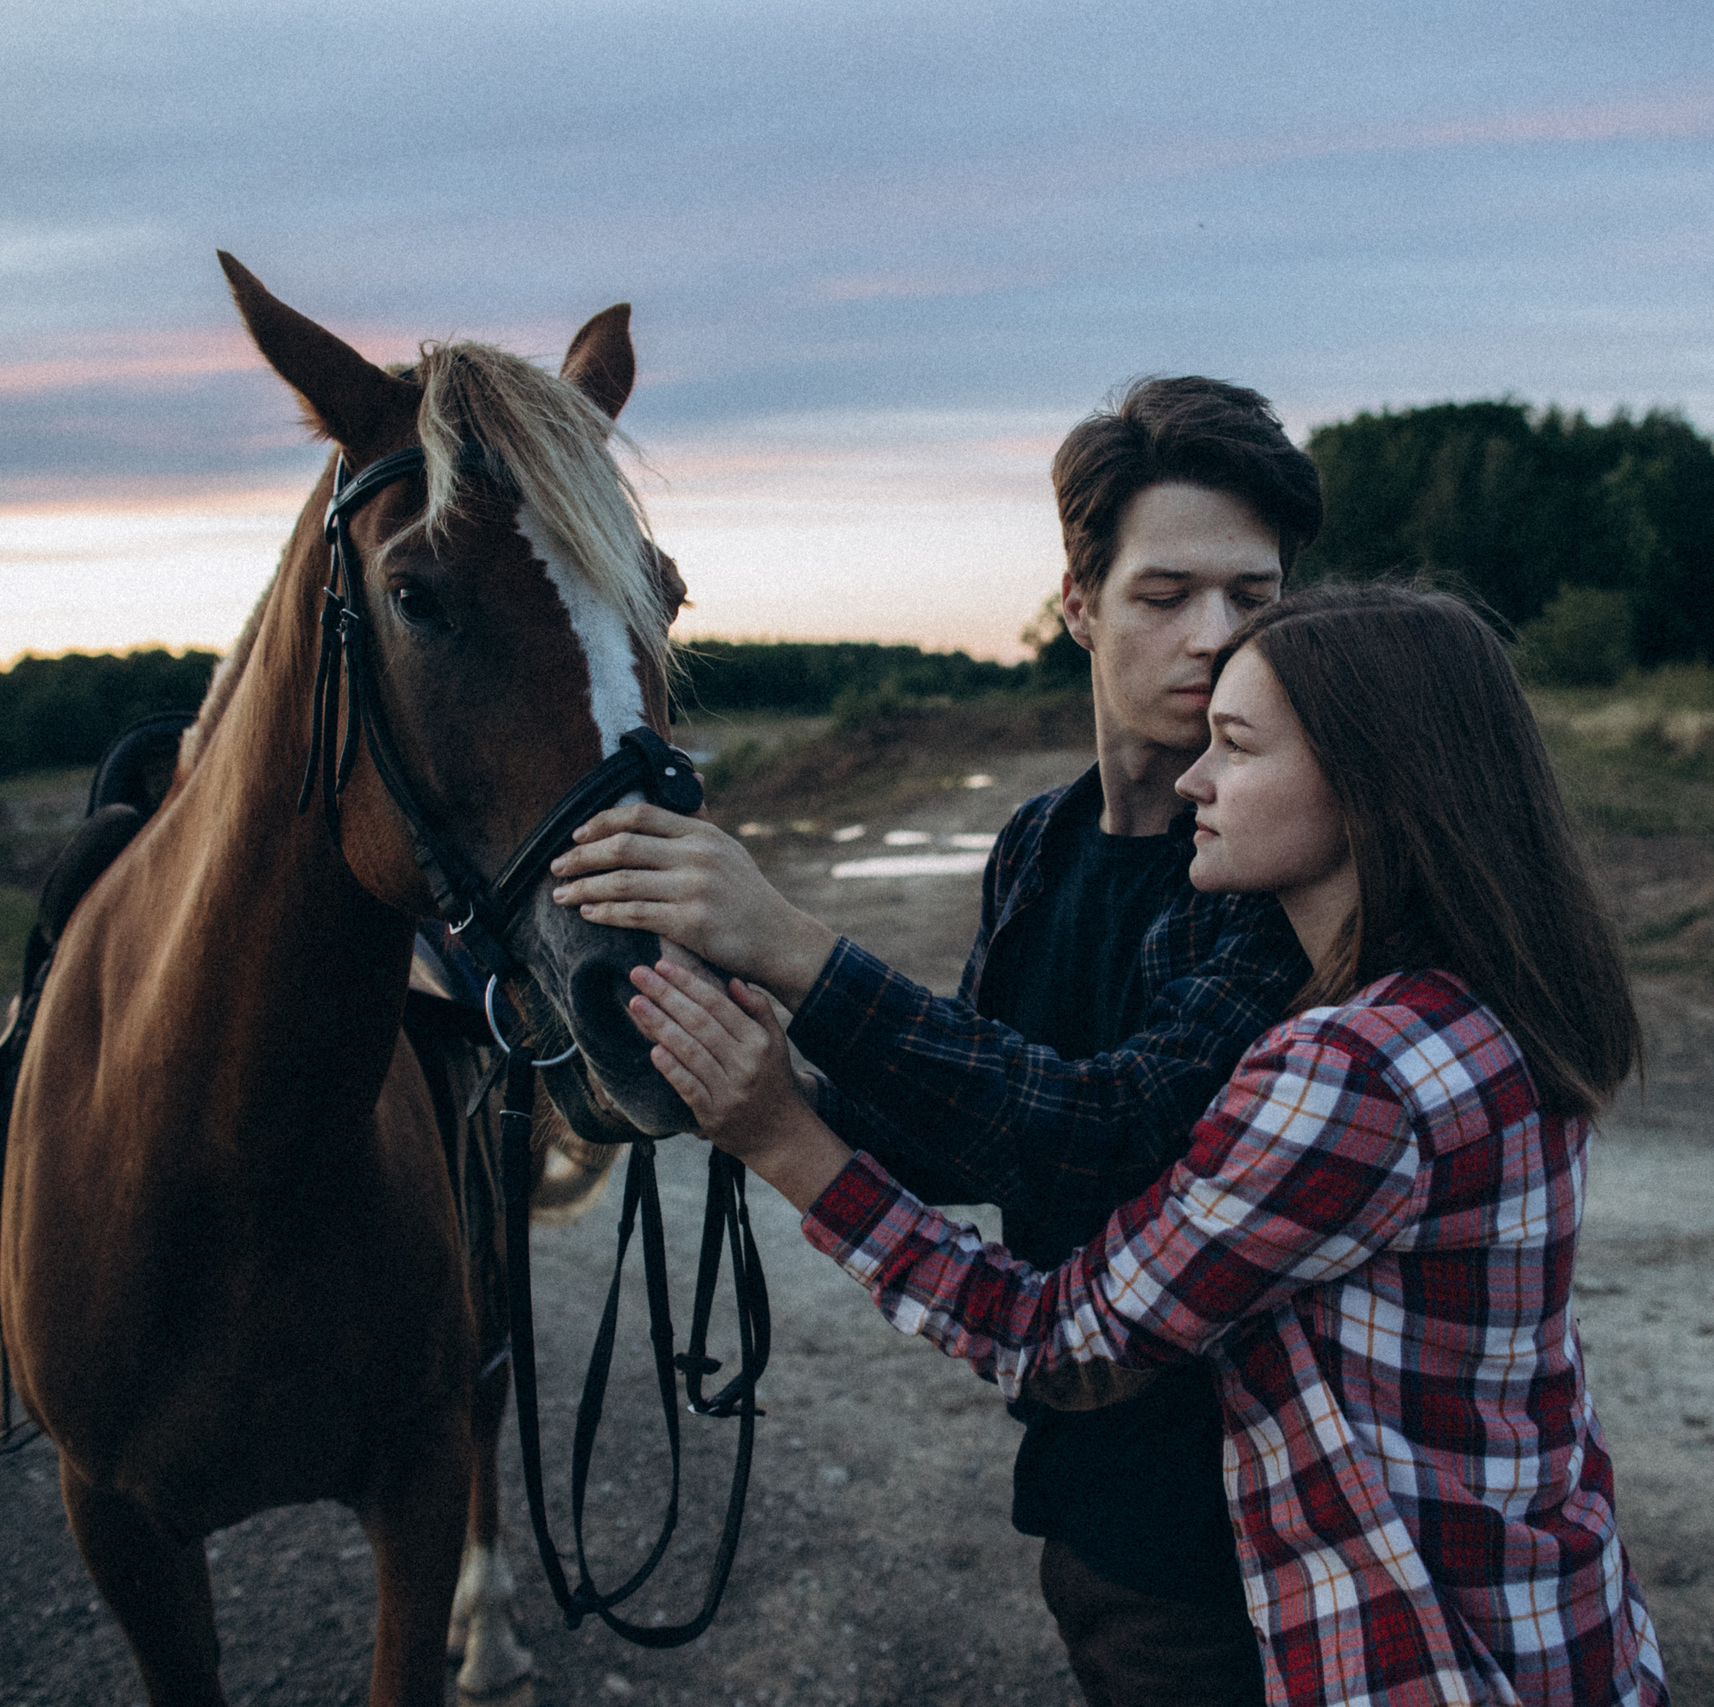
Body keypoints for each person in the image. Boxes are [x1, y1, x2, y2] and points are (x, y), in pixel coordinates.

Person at [623, 584, 1669, 1707]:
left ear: (1367, 785)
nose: (1194, 779)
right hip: (1557, 1628)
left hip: (1421, 1662)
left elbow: (1054, 1339)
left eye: (1236, 746)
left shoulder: (1351, 1074)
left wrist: (780, 1136)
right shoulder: (1481, 1011)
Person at [549, 377, 1323, 1701]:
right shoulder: (1039, 840)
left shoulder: (1281, 872)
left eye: (1253, 599)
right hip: (1088, 1485)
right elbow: (974, 1117)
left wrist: (793, 945)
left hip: (1244, 1517)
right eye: (1166, 594)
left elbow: (1106, 1131)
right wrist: (736, 1063)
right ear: (1077, 603)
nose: (1214, 637)